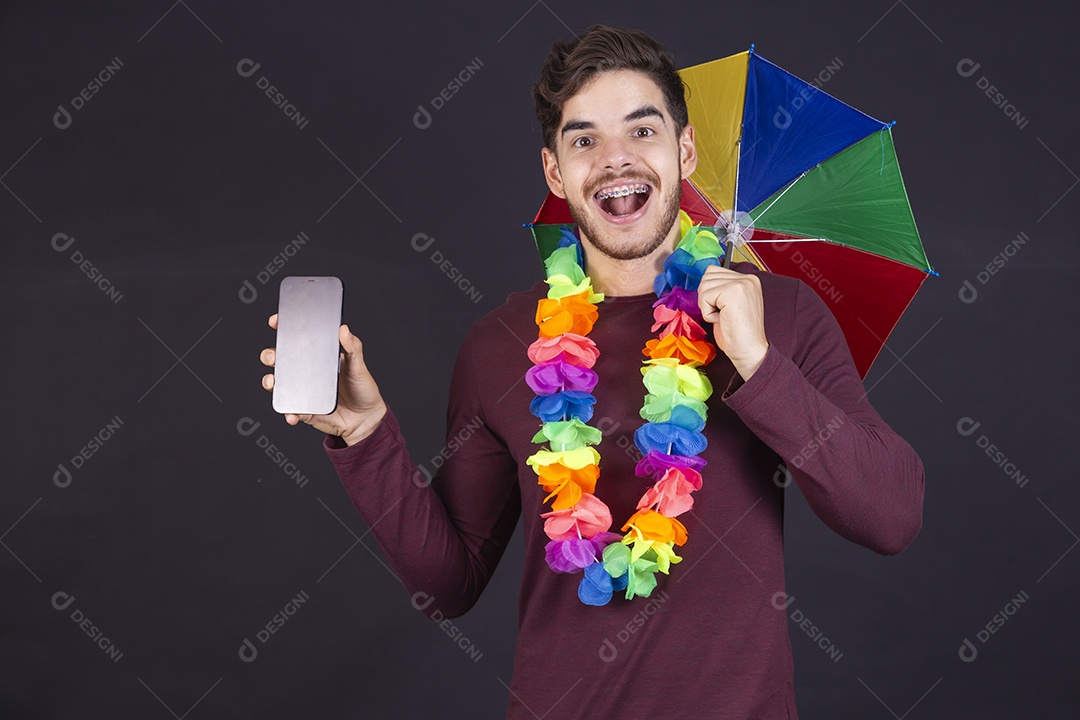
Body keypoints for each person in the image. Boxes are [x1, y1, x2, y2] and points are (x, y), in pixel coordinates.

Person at [260, 24, 924, 719]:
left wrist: (758, 364)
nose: (615, 161)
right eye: (584, 140)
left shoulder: (778, 315)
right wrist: (367, 436)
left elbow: (891, 516)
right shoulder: (500, 345)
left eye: (642, 132)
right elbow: (448, 586)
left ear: (684, 149)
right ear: (555, 170)